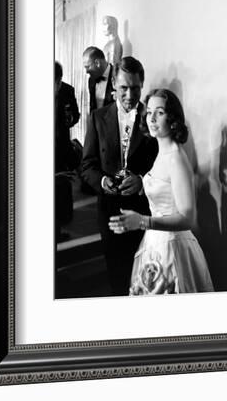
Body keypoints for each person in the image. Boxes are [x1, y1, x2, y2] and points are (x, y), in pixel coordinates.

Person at [109, 89, 213, 295]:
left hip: (173, 246)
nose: (152, 119)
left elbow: (188, 218)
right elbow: (163, 188)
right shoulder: (161, 152)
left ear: (173, 118)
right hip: (154, 241)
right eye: (149, 112)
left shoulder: (176, 158)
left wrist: (143, 221)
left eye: (160, 112)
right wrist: (139, 185)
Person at [81, 57, 158, 295]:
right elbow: (86, 166)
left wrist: (142, 181)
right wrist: (103, 181)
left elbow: (162, 165)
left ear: (142, 85)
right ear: (114, 84)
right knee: (116, 274)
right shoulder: (97, 118)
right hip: (109, 211)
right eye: (124, 87)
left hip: (142, 210)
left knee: (144, 277)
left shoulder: (153, 118)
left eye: (135, 88)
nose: (129, 95)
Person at [54, 61, 80, 243]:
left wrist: (70, 118)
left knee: (62, 189)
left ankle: (58, 227)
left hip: (61, 146)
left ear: (60, 80)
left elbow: (76, 115)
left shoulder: (67, 91)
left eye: (55, 83)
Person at [83, 46, 115, 113]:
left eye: (87, 67)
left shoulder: (117, 76)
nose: (86, 71)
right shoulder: (91, 80)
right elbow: (92, 107)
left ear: (97, 63)